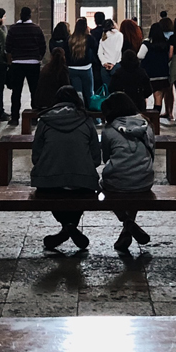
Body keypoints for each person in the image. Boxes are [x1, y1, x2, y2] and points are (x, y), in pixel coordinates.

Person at [31, 85, 101, 252]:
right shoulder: (87, 120)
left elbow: (36, 156)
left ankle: (66, 226)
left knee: (52, 188)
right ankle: (70, 226)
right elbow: (96, 158)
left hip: (50, 181)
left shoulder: (45, 120)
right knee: (81, 187)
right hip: (82, 181)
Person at [100, 93, 155, 254]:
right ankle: (128, 226)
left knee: (102, 189)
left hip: (116, 183)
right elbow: (152, 152)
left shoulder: (109, 130)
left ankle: (126, 222)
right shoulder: (147, 125)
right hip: (145, 180)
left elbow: (106, 158)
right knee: (135, 187)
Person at [5, 6, 46, 125]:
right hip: (33, 63)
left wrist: (12, 59)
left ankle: (14, 118)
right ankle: (34, 117)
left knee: (16, 91)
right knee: (34, 90)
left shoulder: (13, 29)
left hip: (17, 63)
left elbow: (8, 47)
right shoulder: (36, 29)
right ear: (30, 16)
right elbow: (42, 46)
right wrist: (38, 57)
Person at [140, 19, 172, 122]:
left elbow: (140, 55)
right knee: (158, 97)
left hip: (150, 74)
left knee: (144, 95)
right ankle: (156, 118)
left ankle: (145, 117)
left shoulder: (147, 43)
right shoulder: (166, 44)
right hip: (163, 73)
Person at [110, 49, 152, 113]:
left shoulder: (118, 73)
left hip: (122, 104)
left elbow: (111, 89)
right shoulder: (141, 72)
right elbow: (149, 90)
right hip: (138, 104)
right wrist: (142, 96)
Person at [66, 18, 95, 109]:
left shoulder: (70, 39)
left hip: (72, 69)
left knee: (78, 94)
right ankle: (95, 118)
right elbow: (95, 49)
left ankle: (79, 114)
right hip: (86, 68)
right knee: (89, 93)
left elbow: (66, 53)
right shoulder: (89, 38)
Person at [35, 48, 70, 113]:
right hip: (54, 103)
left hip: (41, 102)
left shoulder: (45, 68)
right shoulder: (63, 70)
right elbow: (66, 87)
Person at [96, 17, 124, 95]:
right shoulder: (119, 35)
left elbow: (99, 53)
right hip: (115, 65)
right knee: (117, 91)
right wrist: (112, 64)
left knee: (107, 91)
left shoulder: (103, 37)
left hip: (104, 67)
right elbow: (118, 50)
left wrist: (104, 63)